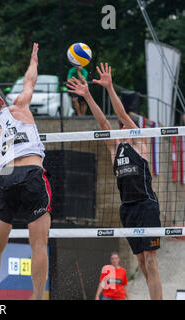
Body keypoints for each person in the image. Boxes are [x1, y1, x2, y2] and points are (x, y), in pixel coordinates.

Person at [66, 62, 163, 300]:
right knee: (141, 261)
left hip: (146, 205)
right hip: (127, 209)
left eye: (125, 124)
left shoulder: (139, 143)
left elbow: (120, 115)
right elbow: (104, 124)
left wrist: (108, 87)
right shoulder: (115, 148)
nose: (122, 126)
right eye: (120, 126)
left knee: (151, 260)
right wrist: (87, 95)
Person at [0, 42, 51, 300]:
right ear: (1, 99)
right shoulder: (19, 105)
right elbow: (29, 81)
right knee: (39, 244)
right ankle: (37, 296)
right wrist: (34, 60)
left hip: (7, 178)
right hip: (32, 172)